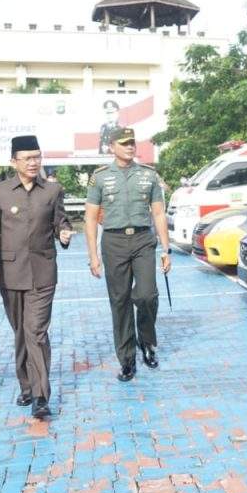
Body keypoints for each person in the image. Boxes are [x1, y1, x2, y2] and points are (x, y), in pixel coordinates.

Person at [0, 135, 72, 418]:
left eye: (37, 157)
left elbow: (61, 221)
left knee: (36, 332)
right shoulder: (0, 192)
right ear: (14, 162)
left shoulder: (52, 190)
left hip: (43, 271)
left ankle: (40, 395)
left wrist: (64, 233)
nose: (33, 163)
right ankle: (26, 385)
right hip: (10, 273)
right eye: (27, 158)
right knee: (21, 331)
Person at [84, 127, 171, 382]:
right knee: (120, 301)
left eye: (132, 143)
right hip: (114, 241)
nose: (130, 147)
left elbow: (158, 214)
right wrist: (93, 255)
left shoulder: (149, 175)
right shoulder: (99, 177)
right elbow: (90, 217)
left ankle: (147, 341)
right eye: (124, 143)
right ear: (112, 147)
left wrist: (166, 249)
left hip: (144, 239)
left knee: (146, 295)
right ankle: (127, 358)